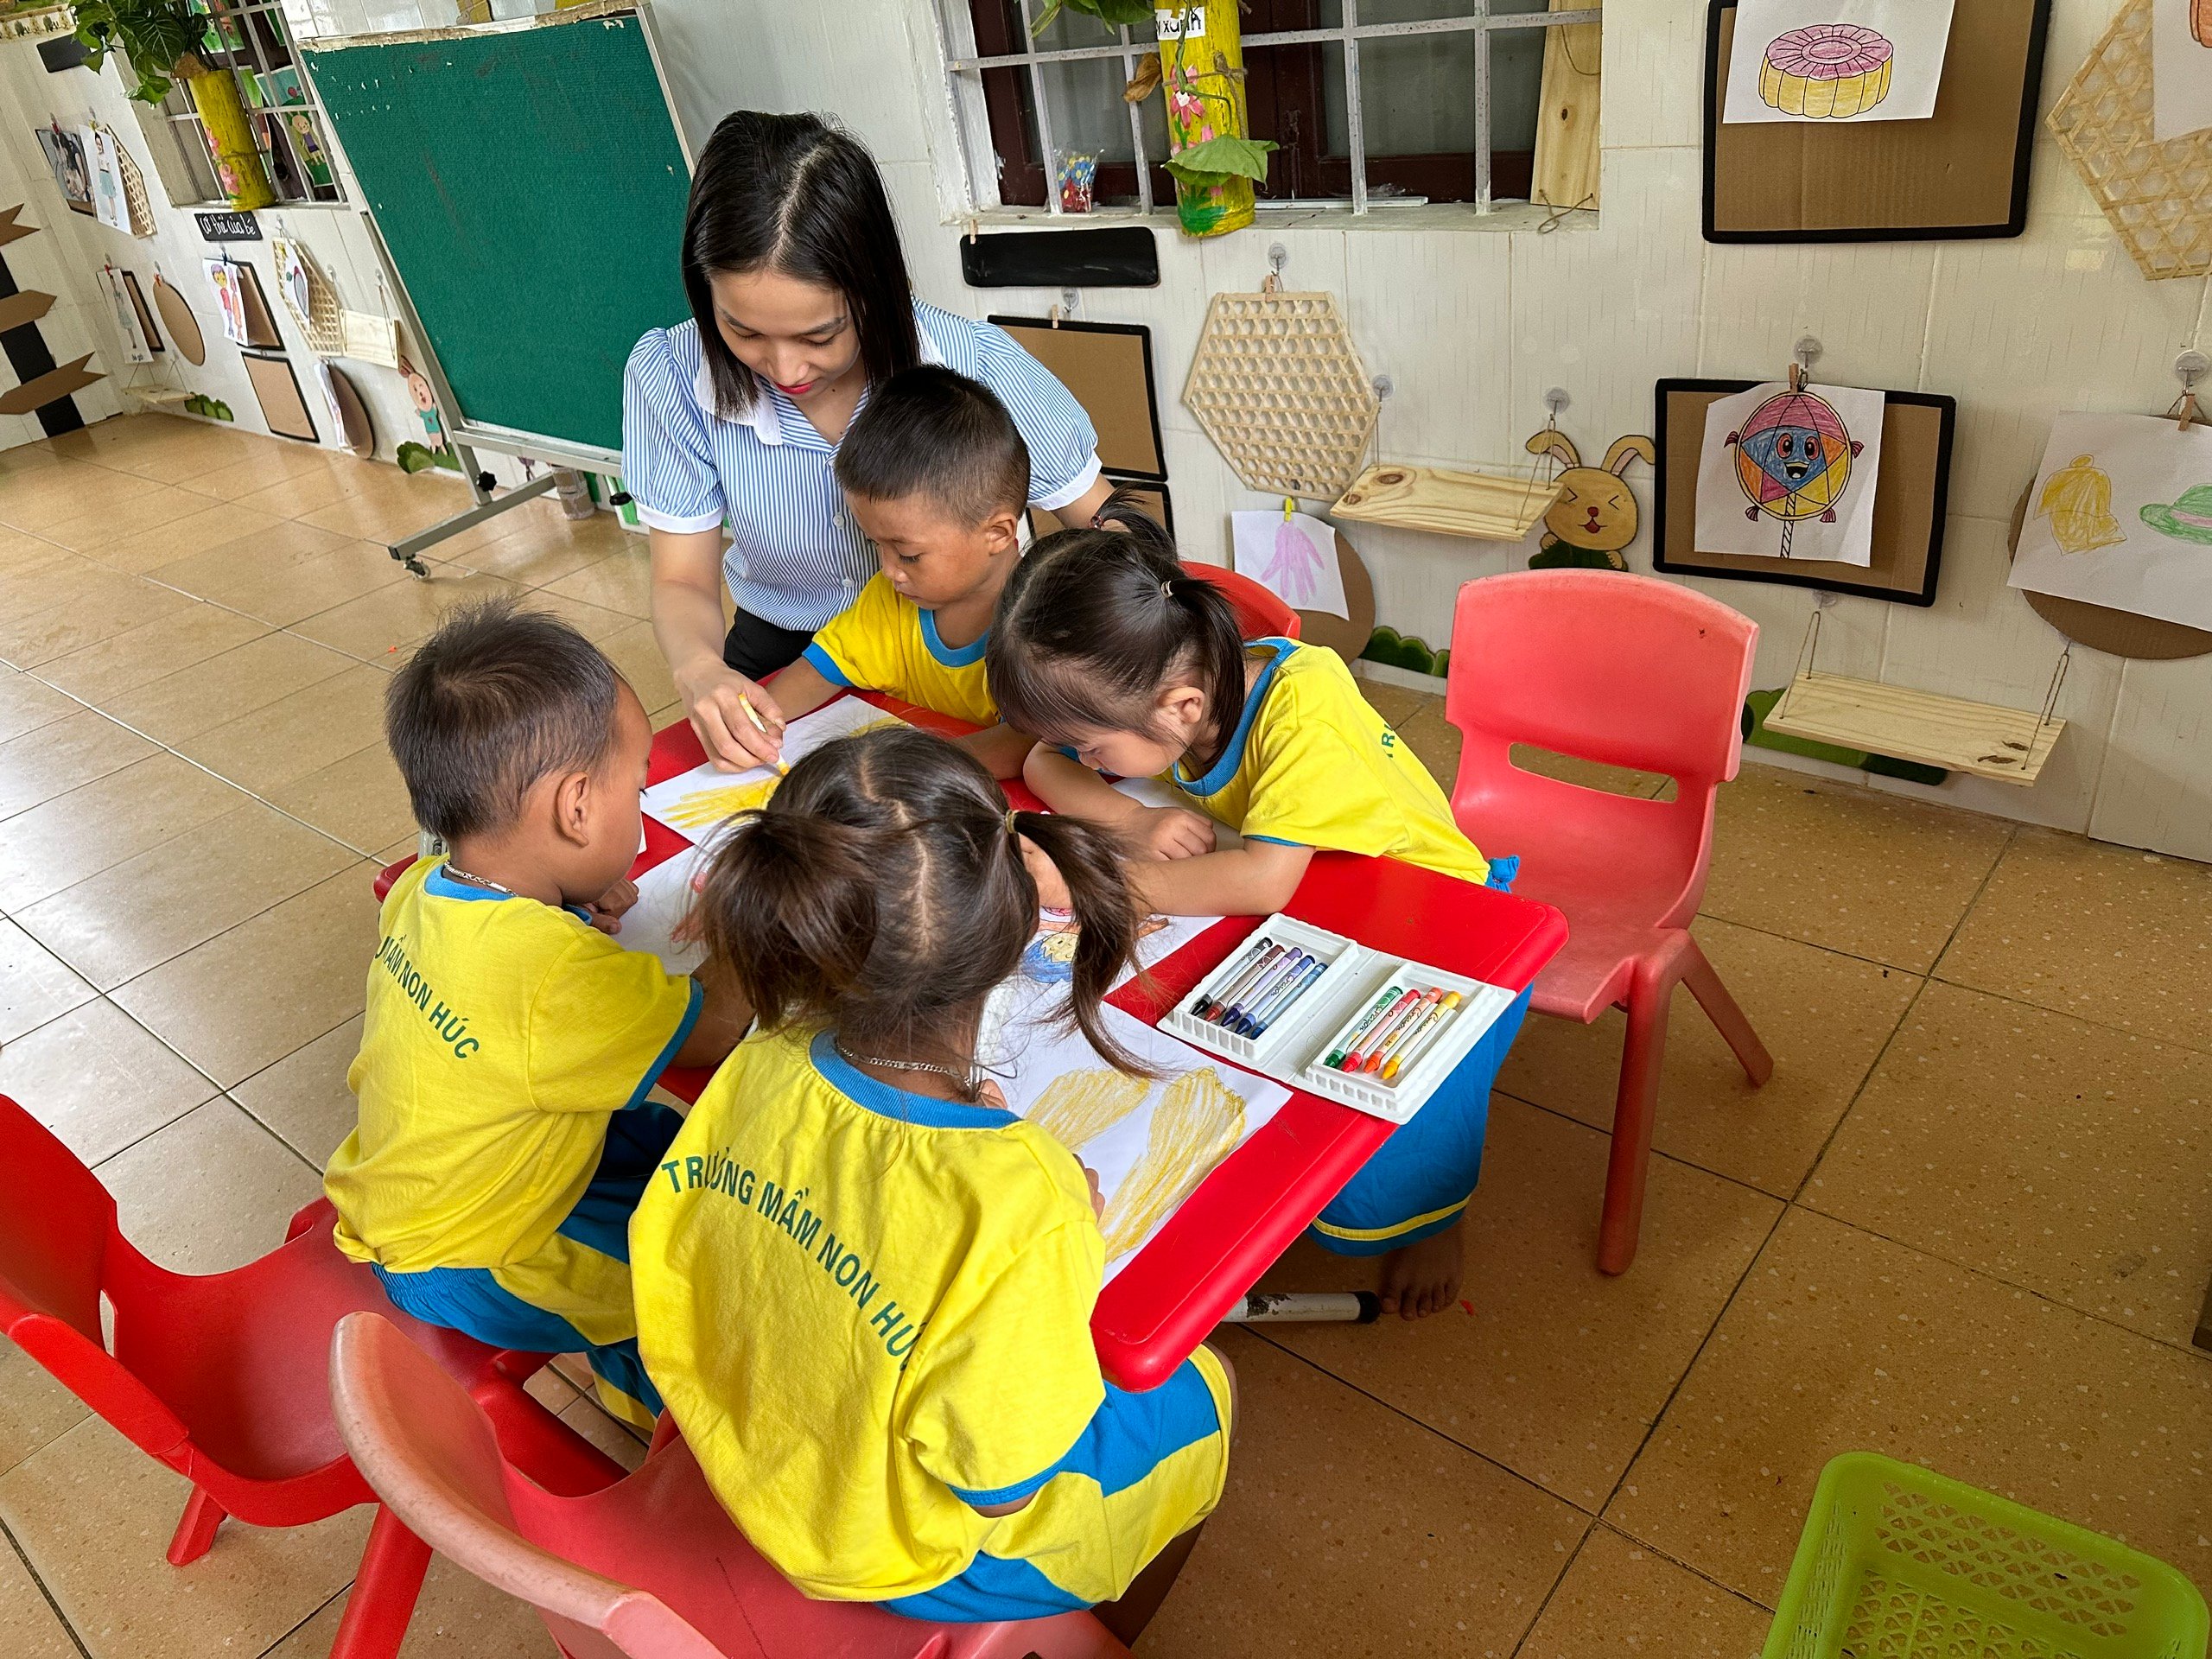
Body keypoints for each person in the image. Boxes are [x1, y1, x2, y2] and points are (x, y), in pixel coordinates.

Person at [630, 727, 1230, 1640]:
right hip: (880, 1545)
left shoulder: (761, 1055)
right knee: (1207, 1396)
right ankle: (1092, 1629)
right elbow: (998, 1488)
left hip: (730, 1435)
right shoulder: (1018, 1197)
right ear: (1023, 927)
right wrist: (1059, 1240)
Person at [985, 517, 1529, 1321]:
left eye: (1093, 745)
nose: (1084, 760)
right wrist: (1132, 822)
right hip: (1323, 902)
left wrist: (1104, 884)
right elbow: (1038, 762)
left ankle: (1435, 1222)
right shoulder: (1162, 701)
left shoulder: (1301, 700)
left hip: (1439, 917)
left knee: (1407, 1096)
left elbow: (1265, 877)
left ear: (1181, 706)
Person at [326, 601, 747, 1427]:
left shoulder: (424, 885)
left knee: (675, 1147)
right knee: (698, 1283)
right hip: (483, 1254)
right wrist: (745, 920)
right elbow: (712, 1026)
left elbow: (502, 987)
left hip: (410, 1198)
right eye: (638, 787)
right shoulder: (554, 977)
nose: (641, 802)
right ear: (577, 807)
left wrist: (570, 895)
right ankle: (652, 1408)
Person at [623, 110, 1116, 772]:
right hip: (788, 652)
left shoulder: (975, 366)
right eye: (743, 332)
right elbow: (682, 578)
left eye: (819, 336)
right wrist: (699, 667)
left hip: (970, 653)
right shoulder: (673, 377)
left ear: (875, 292)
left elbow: (1106, 529)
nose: (786, 370)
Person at [753, 365, 1034, 778]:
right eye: (876, 545)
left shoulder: (1043, 622)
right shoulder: (890, 602)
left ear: (996, 533)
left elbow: (1031, 742)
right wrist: (762, 721)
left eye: (909, 555)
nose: (888, 572)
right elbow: (820, 668)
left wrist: (915, 768)